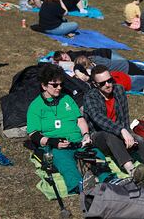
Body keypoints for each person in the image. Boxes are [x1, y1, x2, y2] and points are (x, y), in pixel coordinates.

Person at [83, 65, 144, 187]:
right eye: (102, 83)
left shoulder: (119, 90)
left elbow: (125, 116)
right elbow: (99, 119)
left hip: (120, 132)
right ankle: (132, 170)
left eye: (110, 80)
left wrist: (128, 134)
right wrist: (122, 131)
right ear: (94, 84)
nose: (108, 85)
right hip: (99, 136)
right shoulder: (90, 97)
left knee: (139, 139)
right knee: (109, 134)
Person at [26, 64, 113, 194]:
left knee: (96, 155)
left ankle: (109, 179)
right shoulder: (35, 106)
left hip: (78, 141)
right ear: (44, 85)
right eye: (54, 85)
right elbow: (33, 134)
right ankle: (79, 186)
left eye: (61, 84)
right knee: (65, 162)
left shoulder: (67, 99)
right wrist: (52, 142)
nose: (59, 88)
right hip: (56, 146)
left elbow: (79, 119)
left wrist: (85, 134)